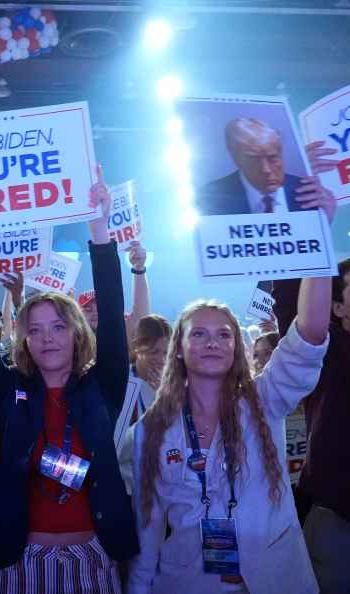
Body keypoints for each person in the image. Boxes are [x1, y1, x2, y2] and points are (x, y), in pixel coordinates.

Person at [0, 165, 139, 592]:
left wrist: (99, 226)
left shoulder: (103, 384)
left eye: (57, 326)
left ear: (76, 333)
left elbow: (111, 311)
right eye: (34, 329)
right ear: (24, 340)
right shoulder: (8, 389)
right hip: (20, 561)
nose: (46, 338)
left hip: (92, 557)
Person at [128, 181, 335, 594]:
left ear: (236, 348)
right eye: (198, 334)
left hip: (277, 577)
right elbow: (147, 521)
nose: (212, 342)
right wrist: (137, 587)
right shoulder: (150, 429)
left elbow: (310, 333)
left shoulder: (265, 398)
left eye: (223, 334)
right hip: (187, 581)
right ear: (180, 350)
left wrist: (319, 234)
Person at [273, 257, 350, 593]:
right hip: (336, 515)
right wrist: (304, 234)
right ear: (337, 307)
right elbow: (294, 306)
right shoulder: (327, 350)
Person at [195, 118, 323, 216]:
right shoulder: (210, 198)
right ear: (235, 157)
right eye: (253, 159)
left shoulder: (307, 191)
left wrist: (325, 218)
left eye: (272, 158)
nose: (266, 170)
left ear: (280, 153)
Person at [114, 315, 173, 494]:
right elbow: (118, 450)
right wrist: (155, 406)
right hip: (129, 492)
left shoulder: (178, 385)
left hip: (167, 492)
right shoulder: (122, 385)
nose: (161, 360)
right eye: (154, 352)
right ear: (138, 347)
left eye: (166, 352)